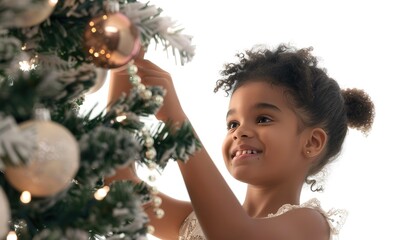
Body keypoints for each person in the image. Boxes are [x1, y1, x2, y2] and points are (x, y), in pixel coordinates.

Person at [106, 43, 375, 240]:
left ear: (312, 142)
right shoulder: (195, 223)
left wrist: (178, 124)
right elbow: (117, 189)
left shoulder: (310, 226)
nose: (239, 132)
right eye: (232, 123)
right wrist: (121, 70)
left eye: (263, 119)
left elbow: (234, 235)